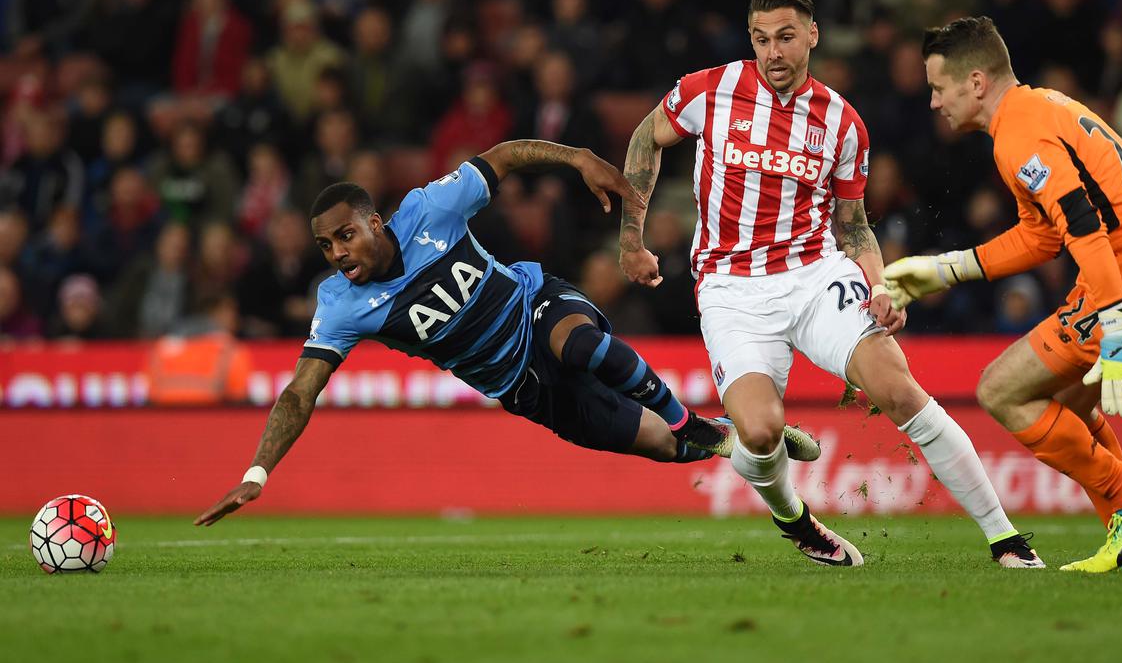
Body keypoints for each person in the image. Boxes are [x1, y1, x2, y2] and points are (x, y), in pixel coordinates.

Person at [619, 0, 1040, 569]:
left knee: (899, 390)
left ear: (812, 35)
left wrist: (880, 285)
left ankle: (1006, 539)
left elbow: (855, 225)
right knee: (761, 436)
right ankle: (795, 519)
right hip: (731, 289)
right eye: (762, 39)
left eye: (786, 37)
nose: (774, 52)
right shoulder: (709, 91)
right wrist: (632, 238)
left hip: (814, 275)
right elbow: (646, 136)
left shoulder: (842, 123)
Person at [195, 139, 816, 527]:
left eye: (346, 235)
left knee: (578, 343)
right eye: (325, 245)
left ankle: (698, 424)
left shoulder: (429, 208)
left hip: (535, 303)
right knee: (659, 447)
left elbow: (506, 155)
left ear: (376, 222)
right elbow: (300, 392)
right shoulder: (340, 305)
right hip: (519, 386)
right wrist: (256, 475)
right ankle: (736, 440)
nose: (337, 252)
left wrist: (577, 159)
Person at [885, 16, 1122, 572]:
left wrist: (1118, 324)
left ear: (976, 81)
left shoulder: (1020, 134)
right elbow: (1044, 235)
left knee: (1002, 391)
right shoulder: (1038, 107)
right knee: (1070, 404)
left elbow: (1081, 224)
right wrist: (948, 270)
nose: (934, 102)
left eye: (939, 87)